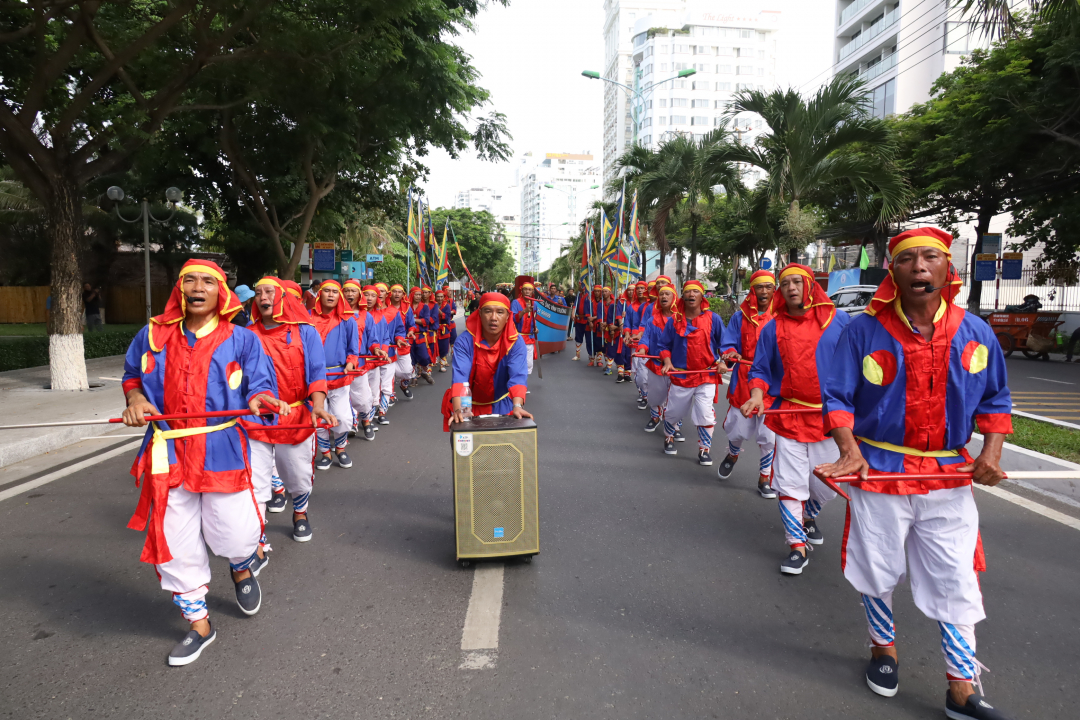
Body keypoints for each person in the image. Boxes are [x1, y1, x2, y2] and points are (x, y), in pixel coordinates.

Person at [817, 228, 1016, 719]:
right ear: (893, 271)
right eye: (908, 259)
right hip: (880, 469)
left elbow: (995, 401)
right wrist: (848, 450)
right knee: (878, 566)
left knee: (955, 576)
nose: (920, 267)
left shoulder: (976, 332)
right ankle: (883, 649)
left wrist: (990, 453)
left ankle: (961, 686)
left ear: (949, 269)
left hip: (948, 476)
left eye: (931, 258)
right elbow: (839, 397)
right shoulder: (861, 330)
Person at [120, 259, 290, 666]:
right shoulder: (153, 335)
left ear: (221, 292)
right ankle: (199, 624)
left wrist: (260, 398)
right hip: (170, 452)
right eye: (189, 280)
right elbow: (131, 375)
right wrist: (136, 399)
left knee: (235, 532)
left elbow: (260, 383)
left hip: (222, 448)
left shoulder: (242, 339)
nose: (197, 287)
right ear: (179, 289)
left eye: (207, 282)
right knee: (175, 542)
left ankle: (242, 566)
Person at [742, 264, 851, 575]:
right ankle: (796, 546)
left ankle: (809, 514)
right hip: (789, 415)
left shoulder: (838, 321)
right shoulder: (772, 328)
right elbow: (761, 370)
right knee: (789, 485)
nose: (791, 288)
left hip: (831, 419)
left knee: (828, 485)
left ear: (810, 285)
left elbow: (856, 365)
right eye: (785, 283)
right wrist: (758, 395)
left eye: (796, 282)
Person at [245, 277, 335, 546]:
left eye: (269, 292)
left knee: (298, 476)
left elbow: (317, 372)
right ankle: (256, 536)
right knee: (256, 481)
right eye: (258, 292)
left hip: (295, 417)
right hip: (256, 419)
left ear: (282, 297)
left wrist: (318, 405)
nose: (263, 297)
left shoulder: (305, 332)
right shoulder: (246, 334)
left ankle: (300, 512)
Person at [717, 270, 778, 499]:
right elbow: (729, 343)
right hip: (744, 379)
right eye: (759, 287)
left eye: (768, 287)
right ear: (752, 290)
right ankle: (733, 454)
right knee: (737, 430)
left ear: (774, 289)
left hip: (773, 383)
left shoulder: (782, 315)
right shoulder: (740, 316)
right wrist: (730, 354)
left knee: (769, 436)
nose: (763, 291)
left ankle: (765, 477)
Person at [657, 280, 726, 465]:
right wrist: (667, 361)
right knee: (673, 412)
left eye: (696, 291)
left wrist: (723, 361)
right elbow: (663, 345)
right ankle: (668, 436)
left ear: (702, 296)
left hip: (706, 375)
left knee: (705, 413)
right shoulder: (674, 321)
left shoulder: (714, 319)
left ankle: (704, 449)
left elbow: (724, 345)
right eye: (688, 292)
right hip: (680, 375)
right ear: (683, 296)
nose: (692, 295)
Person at [445, 292, 531, 428]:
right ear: (479, 313)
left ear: (508, 316)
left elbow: (518, 376)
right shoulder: (464, 341)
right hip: (468, 406)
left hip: (502, 404)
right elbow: (460, 378)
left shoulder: (516, 342)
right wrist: (458, 410)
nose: (494, 318)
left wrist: (518, 406)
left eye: (500, 312)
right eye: (488, 311)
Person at [308, 280, 359, 469]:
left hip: (338, 376)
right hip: (314, 378)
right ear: (319, 294)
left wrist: (351, 362)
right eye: (326, 291)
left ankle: (340, 448)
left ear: (340, 296)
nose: (330, 295)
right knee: (319, 416)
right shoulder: (307, 318)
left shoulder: (348, 319)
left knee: (342, 417)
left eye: (334, 292)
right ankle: (326, 453)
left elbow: (354, 349)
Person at [637, 283, 677, 433]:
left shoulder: (681, 320)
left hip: (676, 367)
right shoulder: (652, 320)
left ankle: (674, 426)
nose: (664, 296)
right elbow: (645, 338)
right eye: (661, 294)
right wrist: (642, 349)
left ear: (674, 298)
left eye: (667, 294)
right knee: (655, 396)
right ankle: (655, 417)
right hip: (656, 363)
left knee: (675, 398)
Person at [388, 284, 417, 400]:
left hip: (402, 343)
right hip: (388, 344)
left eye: (399, 292)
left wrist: (411, 331)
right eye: (394, 291)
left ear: (403, 294)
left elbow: (412, 324)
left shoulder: (407, 308)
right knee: (388, 372)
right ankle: (390, 394)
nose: (396, 294)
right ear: (390, 293)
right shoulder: (384, 307)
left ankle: (403, 385)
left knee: (407, 371)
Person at [511, 281, 538, 376]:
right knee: (517, 362)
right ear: (521, 291)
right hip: (517, 337)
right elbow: (513, 319)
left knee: (529, 363)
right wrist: (524, 311)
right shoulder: (515, 302)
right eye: (525, 289)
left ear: (532, 292)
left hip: (529, 338)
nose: (527, 291)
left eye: (529, 290)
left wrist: (536, 329)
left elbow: (534, 319)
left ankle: (523, 383)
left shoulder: (535, 304)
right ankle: (517, 384)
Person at [410, 286, 435, 384]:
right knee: (411, 357)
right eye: (416, 294)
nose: (418, 296)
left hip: (420, 335)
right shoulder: (407, 307)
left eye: (420, 294)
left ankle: (424, 372)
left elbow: (427, 320)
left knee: (424, 356)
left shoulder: (425, 307)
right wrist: (418, 321)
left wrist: (413, 320)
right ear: (412, 295)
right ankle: (413, 377)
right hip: (410, 336)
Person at [572, 281, 595, 362]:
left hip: (587, 321)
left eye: (580, 285)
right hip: (578, 320)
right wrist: (573, 313)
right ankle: (577, 355)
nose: (579, 287)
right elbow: (575, 305)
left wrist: (591, 320)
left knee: (589, 339)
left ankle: (591, 357)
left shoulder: (589, 296)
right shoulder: (578, 295)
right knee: (578, 338)